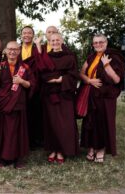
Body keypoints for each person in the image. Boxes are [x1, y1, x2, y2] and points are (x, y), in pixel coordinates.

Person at [80, 34, 125, 162]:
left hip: (106, 96)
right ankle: (90, 147)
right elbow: (81, 73)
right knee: (90, 122)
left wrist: (106, 65)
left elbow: (117, 79)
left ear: (106, 43)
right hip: (91, 94)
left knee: (103, 122)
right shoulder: (91, 57)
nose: (98, 44)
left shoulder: (114, 57)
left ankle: (101, 148)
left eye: (101, 42)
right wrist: (89, 81)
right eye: (95, 43)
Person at [35, 33, 79, 163]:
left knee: (64, 123)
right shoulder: (46, 56)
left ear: (62, 40)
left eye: (57, 40)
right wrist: (50, 80)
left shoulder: (70, 57)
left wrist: (62, 79)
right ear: (49, 42)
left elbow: (73, 75)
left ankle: (61, 150)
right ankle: (53, 149)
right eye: (52, 40)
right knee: (51, 123)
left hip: (64, 93)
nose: (55, 42)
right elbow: (41, 71)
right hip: (50, 94)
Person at [0, 41, 35, 168]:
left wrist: (21, 81)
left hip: (18, 104)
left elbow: (32, 84)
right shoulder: (0, 65)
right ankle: (2, 158)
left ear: (19, 51)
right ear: (5, 51)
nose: (12, 52)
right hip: (3, 104)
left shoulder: (24, 68)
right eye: (10, 49)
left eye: (15, 49)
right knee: (2, 131)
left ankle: (18, 158)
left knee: (17, 132)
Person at [20, 26, 43, 149]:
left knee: (34, 112)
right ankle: (23, 139)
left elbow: (41, 61)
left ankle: (35, 140)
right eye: (24, 33)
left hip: (35, 84)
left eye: (29, 33)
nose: (27, 35)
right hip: (19, 83)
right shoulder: (16, 49)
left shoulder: (37, 48)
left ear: (33, 35)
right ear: (21, 35)